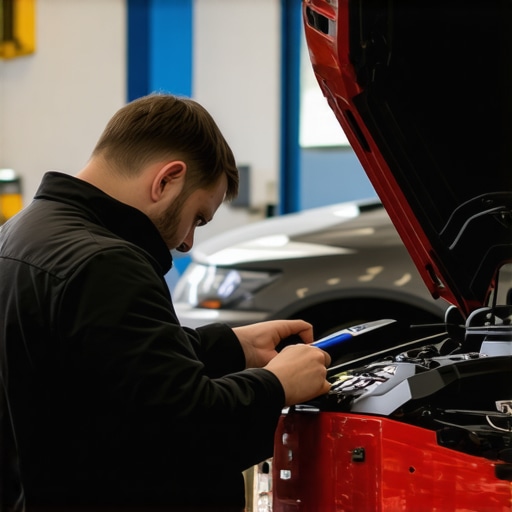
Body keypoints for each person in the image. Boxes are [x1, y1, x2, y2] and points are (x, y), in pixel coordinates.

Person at [0, 93, 331, 512]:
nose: (188, 242)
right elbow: (188, 433)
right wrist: (278, 385)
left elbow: (105, 365)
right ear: (167, 180)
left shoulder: (25, 231)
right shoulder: (107, 262)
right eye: (197, 217)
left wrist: (230, 346)